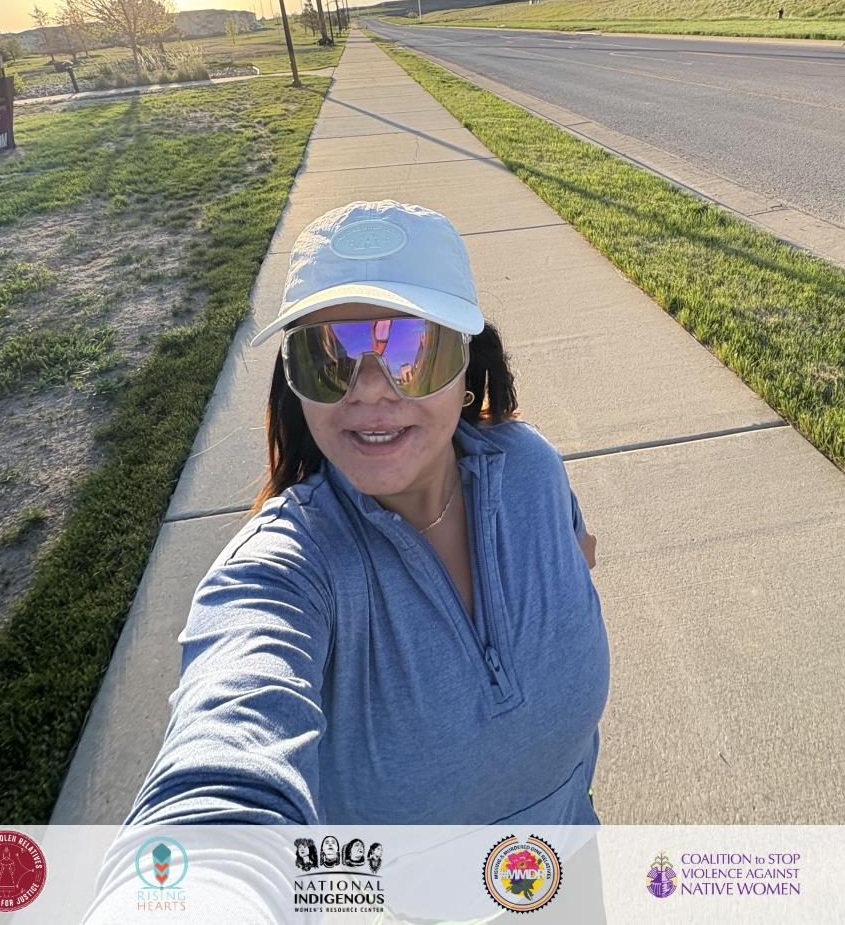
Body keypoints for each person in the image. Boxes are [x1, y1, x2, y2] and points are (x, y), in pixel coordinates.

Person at [121, 198, 610, 828]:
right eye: (329, 357)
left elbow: (577, 555)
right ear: (294, 381)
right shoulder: (282, 570)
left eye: (412, 349)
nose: (371, 388)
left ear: (466, 362)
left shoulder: (530, 466)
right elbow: (225, 747)